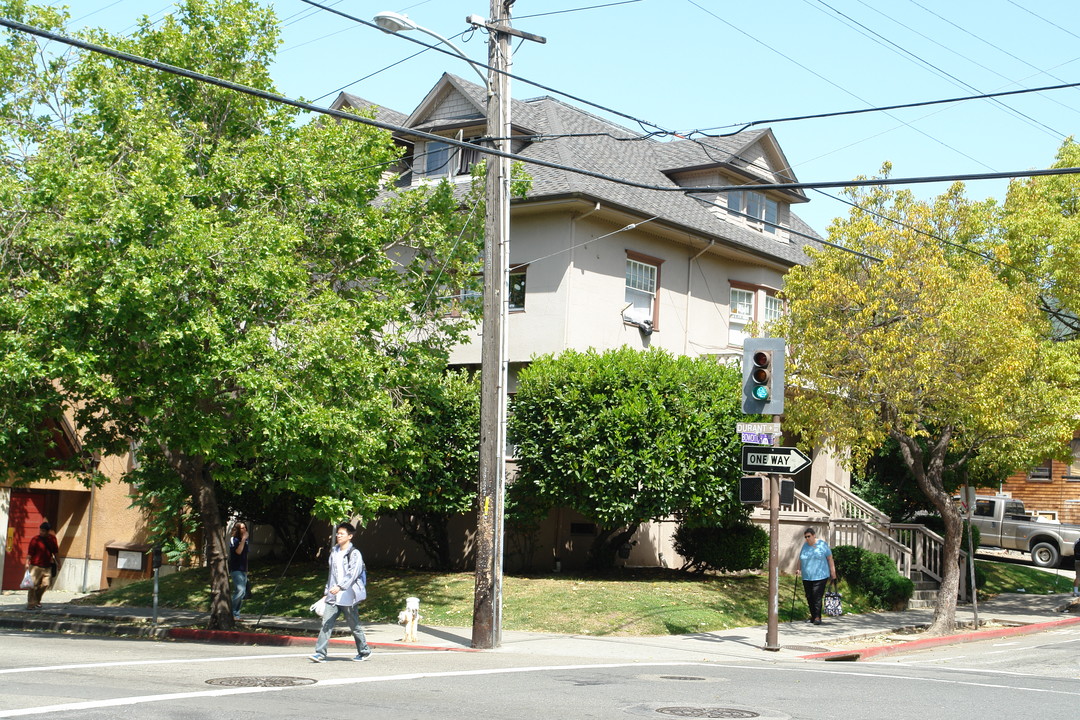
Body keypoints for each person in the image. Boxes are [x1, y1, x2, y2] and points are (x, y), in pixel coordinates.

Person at [310, 522, 371, 663]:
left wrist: (340, 587)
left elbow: (353, 573)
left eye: (342, 534)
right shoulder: (334, 552)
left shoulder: (354, 553)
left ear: (350, 536)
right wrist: (327, 592)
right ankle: (320, 653)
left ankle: (364, 651)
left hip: (349, 597)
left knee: (354, 625)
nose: (338, 535)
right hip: (333, 596)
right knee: (326, 623)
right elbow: (331, 574)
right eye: (338, 533)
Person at [799, 527, 836, 625]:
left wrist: (833, 572)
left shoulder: (822, 545)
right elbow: (801, 558)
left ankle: (817, 617)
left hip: (820, 575)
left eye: (809, 536)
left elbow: (830, 558)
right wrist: (798, 569)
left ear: (814, 535)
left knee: (817, 596)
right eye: (806, 537)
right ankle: (813, 615)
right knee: (809, 596)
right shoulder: (805, 546)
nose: (807, 538)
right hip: (807, 576)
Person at [24, 521, 59, 611]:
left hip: (47, 566)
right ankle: (31, 603)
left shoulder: (52, 539)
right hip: (35, 565)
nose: (41, 532)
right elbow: (30, 553)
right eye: (41, 530)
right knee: (32, 585)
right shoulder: (35, 540)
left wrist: (59, 563)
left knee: (46, 584)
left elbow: (55, 552)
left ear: (48, 531)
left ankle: (36, 600)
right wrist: (27, 562)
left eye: (43, 531)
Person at [228, 520, 250, 620]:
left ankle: (236, 615)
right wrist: (243, 539)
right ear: (237, 529)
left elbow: (245, 556)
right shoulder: (234, 539)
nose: (244, 529)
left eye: (245, 527)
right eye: (242, 528)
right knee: (240, 590)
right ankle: (231, 613)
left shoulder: (245, 541)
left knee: (242, 592)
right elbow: (238, 552)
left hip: (243, 569)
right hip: (236, 568)